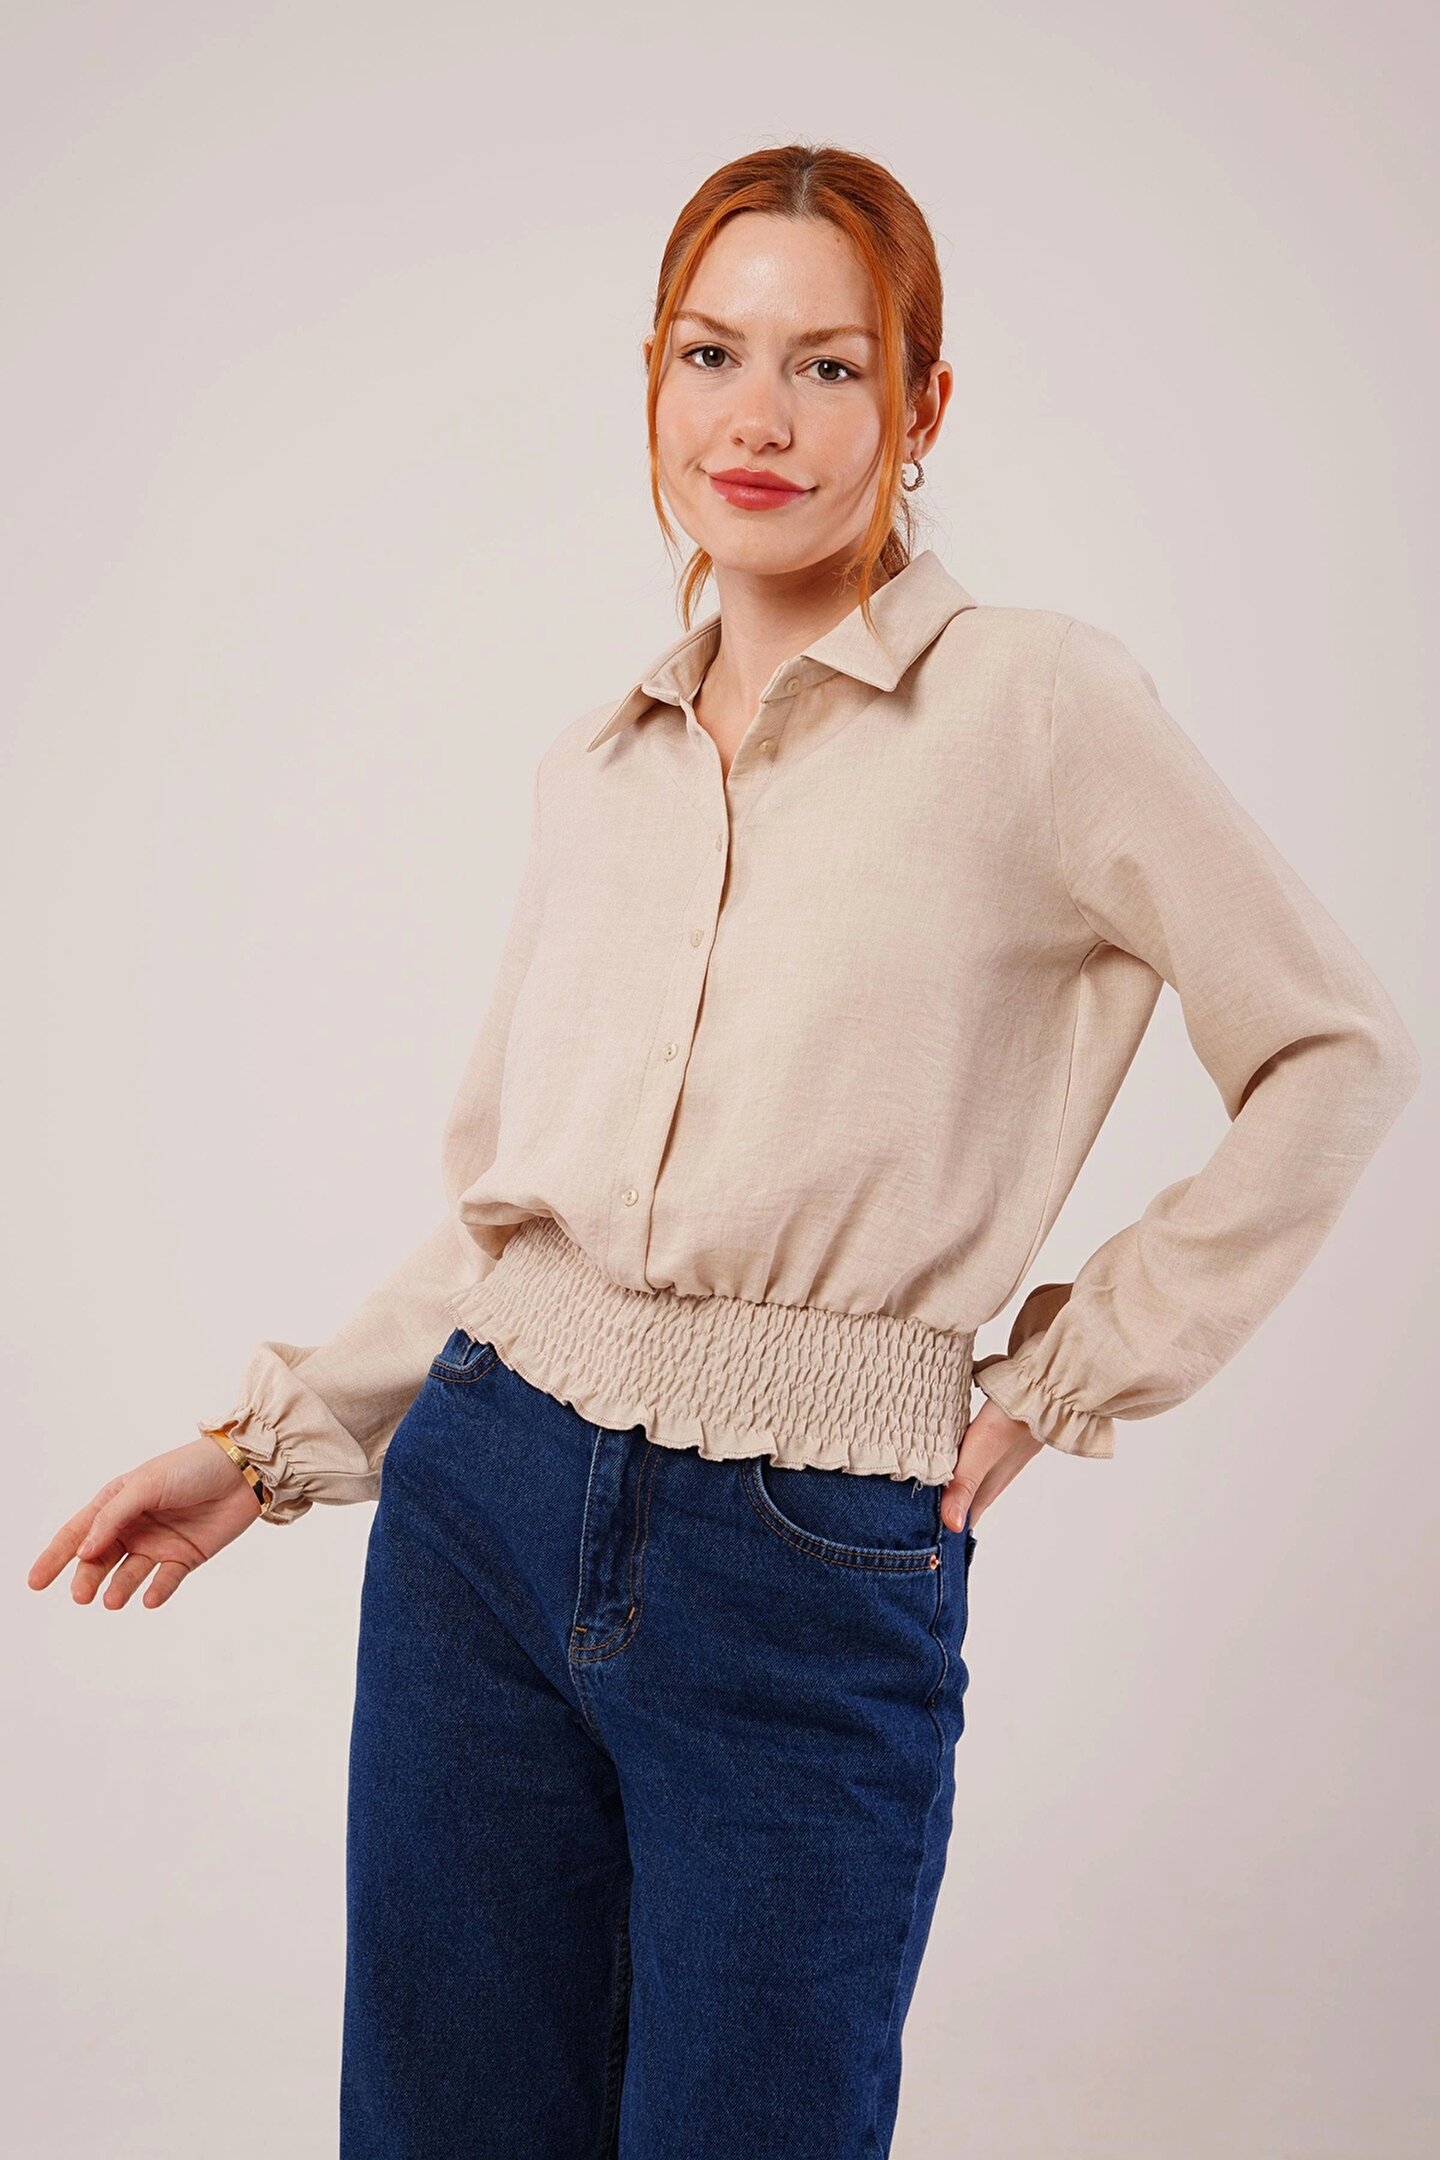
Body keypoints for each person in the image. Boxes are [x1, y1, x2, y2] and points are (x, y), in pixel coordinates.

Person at [28, 142, 1421, 2157]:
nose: (757, 418)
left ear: (922, 406)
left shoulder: (1034, 705)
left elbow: (1333, 1047)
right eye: (711, 354)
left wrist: (1071, 1369)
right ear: (654, 384)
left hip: (806, 1556)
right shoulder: (599, 765)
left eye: (828, 366)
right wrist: (270, 1449)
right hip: (480, 1520)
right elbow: (519, 1229)